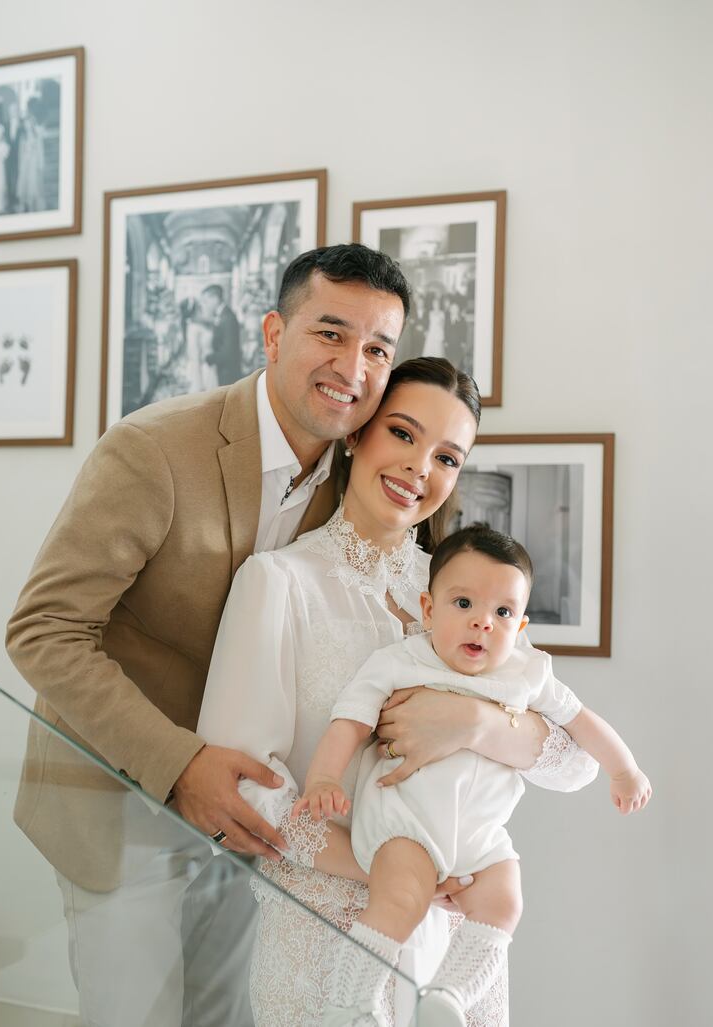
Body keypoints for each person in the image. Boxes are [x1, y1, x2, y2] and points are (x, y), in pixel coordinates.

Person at [5, 243, 412, 1027]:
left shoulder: (358, 480)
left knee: (224, 1015)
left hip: (258, 818)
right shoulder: (152, 449)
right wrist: (180, 763)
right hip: (120, 797)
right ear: (273, 333)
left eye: (377, 349)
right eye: (331, 333)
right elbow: (43, 630)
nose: (353, 366)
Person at [197, 359, 600, 1027]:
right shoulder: (278, 582)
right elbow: (240, 791)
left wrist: (475, 723)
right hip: (320, 937)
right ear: (357, 432)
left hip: (450, 957)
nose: (420, 467)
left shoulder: (471, 593)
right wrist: (395, 874)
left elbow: (578, 762)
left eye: (447, 456)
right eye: (403, 434)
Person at [292, 521, 651, 1026]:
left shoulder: (526, 672)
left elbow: (581, 722)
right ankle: (349, 1002)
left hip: (480, 834)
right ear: (428, 609)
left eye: (503, 612)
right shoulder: (398, 661)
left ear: (520, 628)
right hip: (406, 824)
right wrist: (324, 779)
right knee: (401, 900)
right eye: (464, 604)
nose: (483, 622)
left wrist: (624, 769)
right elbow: (349, 722)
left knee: (504, 903)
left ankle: (450, 996)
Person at [204, 283, 242, 385]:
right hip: (223, 370)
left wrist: (208, 359)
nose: (205, 305)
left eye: (206, 301)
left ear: (215, 299)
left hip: (228, 373)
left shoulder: (228, 317)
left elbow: (228, 351)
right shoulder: (222, 315)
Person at [16, 98, 46, 212]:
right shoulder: (23, 138)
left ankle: (33, 203)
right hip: (25, 163)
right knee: (24, 182)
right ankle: (24, 204)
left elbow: (40, 151)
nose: (27, 125)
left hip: (34, 162)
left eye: (29, 123)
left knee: (33, 182)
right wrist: (20, 164)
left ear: (32, 124)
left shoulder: (36, 137)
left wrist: (40, 164)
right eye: (26, 124)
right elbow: (20, 152)